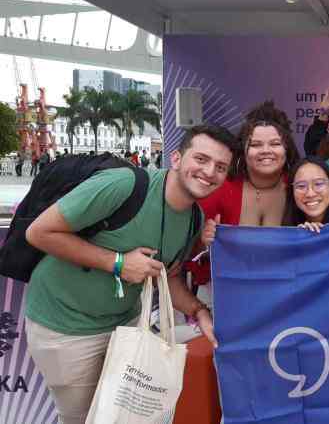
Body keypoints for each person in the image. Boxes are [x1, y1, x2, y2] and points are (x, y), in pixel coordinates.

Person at [23, 124, 237, 424]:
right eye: (201, 159)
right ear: (176, 159)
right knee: (82, 418)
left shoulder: (194, 219)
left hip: (125, 328)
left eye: (220, 167)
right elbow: (39, 233)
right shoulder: (125, 184)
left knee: (124, 416)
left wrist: (198, 311)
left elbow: (168, 276)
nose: (209, 171)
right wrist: (119, 262)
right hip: (65, 327)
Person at [190, 101, 300, 285]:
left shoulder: (300, 188)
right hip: (230, 293)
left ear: (286, 149)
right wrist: (203, 242)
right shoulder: (220, 189)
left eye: (275, 143)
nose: (266, 151)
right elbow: (191, 255)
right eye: (256, 144)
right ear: (243, 151)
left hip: (287, 293)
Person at [281, 157, 329, 233]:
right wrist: (300, 238)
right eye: (301, 186)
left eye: (318, 184)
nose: (310, 194)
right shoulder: (288, 229)